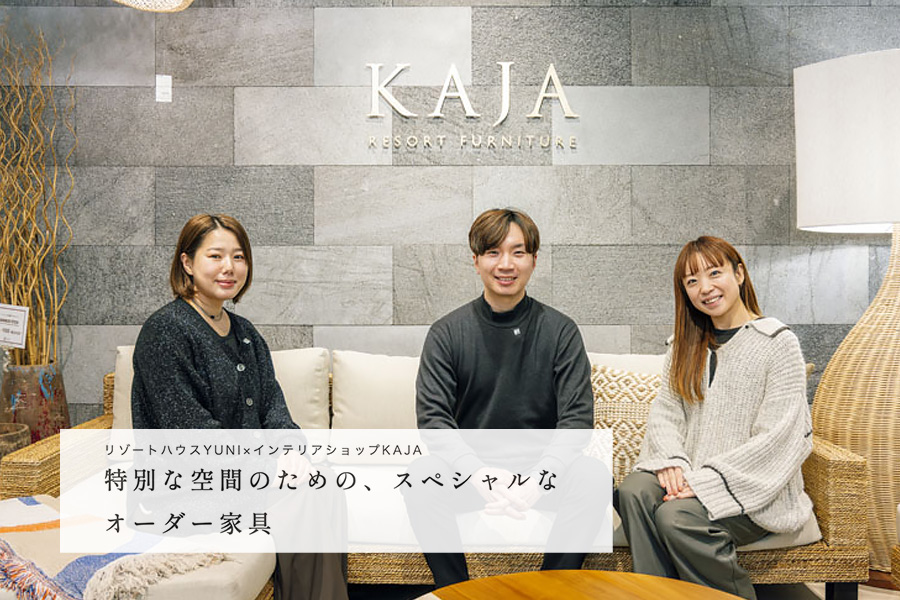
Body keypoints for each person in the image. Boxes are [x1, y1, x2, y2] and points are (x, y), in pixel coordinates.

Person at [131, 213, 348, 600]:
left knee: (321, 480)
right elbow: (192, 436)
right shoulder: (165, 331)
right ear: (187, 263)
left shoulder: (246, 333)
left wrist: (290, 453)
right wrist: (268, 467)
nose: (229, 267)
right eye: (215, 256)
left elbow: (274, 409)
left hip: (243, 479)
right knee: (306, 493)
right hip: (187, 489)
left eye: (239, 256)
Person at [407, 208, 608, 588]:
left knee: (593, 475)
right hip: (472, 475)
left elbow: (577, 419)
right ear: (476, 260)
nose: (505, 264)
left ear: (534, 259)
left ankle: (550, 591)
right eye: (493, 253)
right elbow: (434, 420)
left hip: (541, 473)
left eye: (518, 252)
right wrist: (477, 473)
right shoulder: (447, 333)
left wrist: (539, 480)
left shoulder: (560, 331)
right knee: (421, 476)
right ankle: (456, 593)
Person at [616, 236, 813, 600]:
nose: (705, 288)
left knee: (676, 517)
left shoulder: (777, 342)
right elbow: (666, 412)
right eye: (692, 281)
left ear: (739, 274)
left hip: (756, 491)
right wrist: (672, 461)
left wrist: (708, 482)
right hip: (688, 477)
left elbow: (778, 437)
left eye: (714, 273)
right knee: (633, 491)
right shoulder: (683, 344)